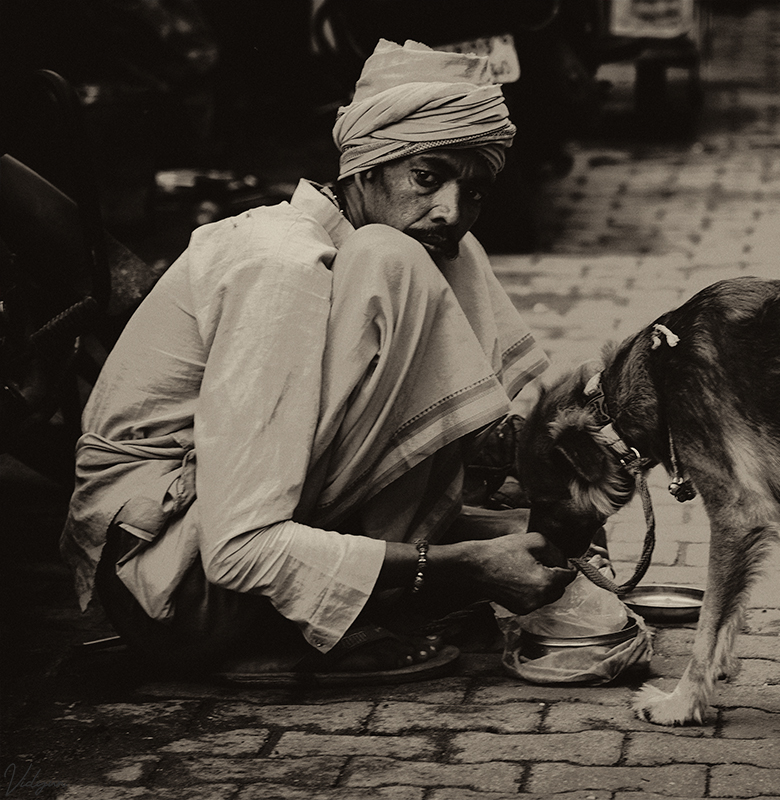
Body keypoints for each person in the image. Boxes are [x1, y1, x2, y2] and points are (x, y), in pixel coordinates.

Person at [59, 39, 578, 684]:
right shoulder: (283, 268)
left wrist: (564, 484)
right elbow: (238, 549)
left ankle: (377, 587)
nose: (449, 208)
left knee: (441, 256)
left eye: (474, 190)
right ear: (364, 168)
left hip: (209, 558)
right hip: (174, 587)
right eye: (427, 176)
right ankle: (302, 627)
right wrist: (460, 565)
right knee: (400, 262)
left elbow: (502, 447)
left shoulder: (406, 247)